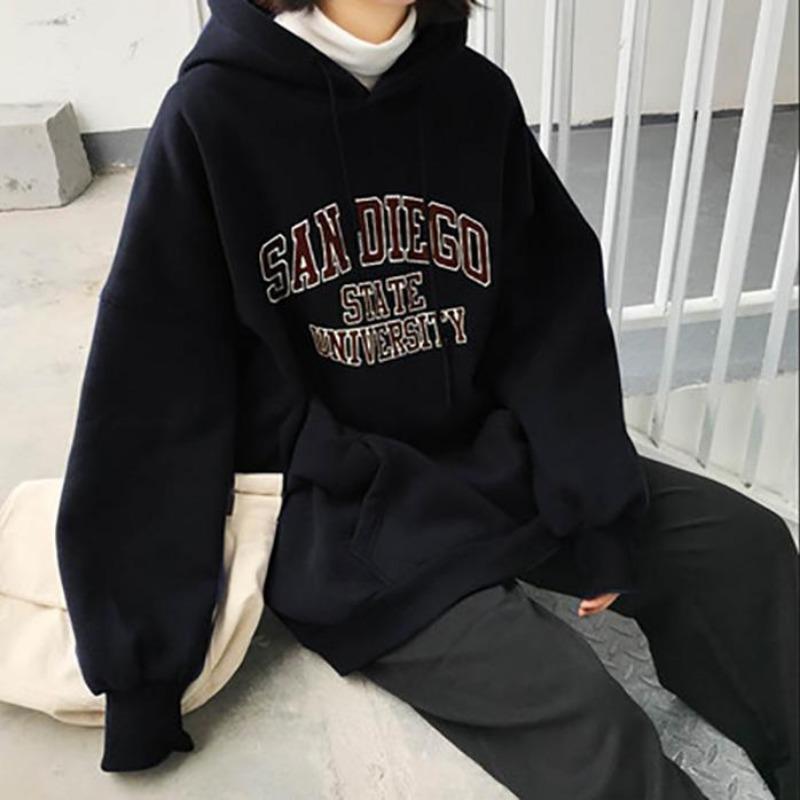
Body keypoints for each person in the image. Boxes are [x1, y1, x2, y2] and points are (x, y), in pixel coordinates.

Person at [54, 0, 798, 796]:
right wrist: (142, 669)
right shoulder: (211, 115)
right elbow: (154, 392)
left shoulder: (474, 96)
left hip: (492, 453)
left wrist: (599, 512)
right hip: (342, 513)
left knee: (746, 549)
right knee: (593, 727)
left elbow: (549, 317)